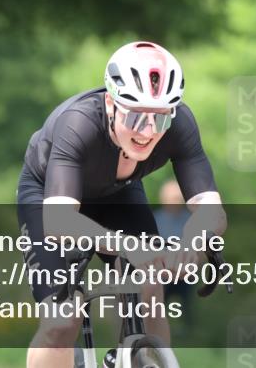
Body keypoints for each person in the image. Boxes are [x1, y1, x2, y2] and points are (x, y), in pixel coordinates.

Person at [16, 41, 227, 368]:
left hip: (118, 194)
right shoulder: (79, 124)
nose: (147, 132)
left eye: (159, 119)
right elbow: (58, 221)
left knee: (149, 291)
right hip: (49, 196)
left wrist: (192, 240)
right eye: (136, 116)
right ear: (111, 102)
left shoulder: (180, 125)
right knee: (62, 322)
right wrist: (128, 245)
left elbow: (211, 209)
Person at [152, 180, 194, 325]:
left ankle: (191, 332)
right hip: (161, 272)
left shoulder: (191, 220)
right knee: (156, 306)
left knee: (188, 306)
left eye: (177, 198)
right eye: (171, 198)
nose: (174, 202)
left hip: (186, 272)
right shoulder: (153, 220)